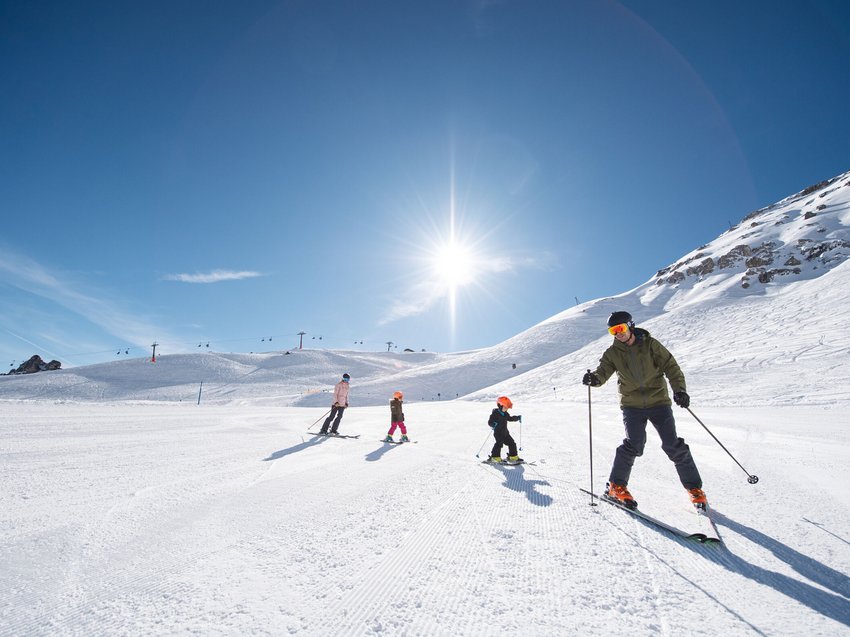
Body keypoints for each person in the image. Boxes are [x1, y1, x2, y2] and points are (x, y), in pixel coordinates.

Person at [582, 311, 707, 510]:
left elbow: (671, 367)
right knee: (634, 445)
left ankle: (694, 489)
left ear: (630, 325)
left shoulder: (650, 345)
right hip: (632, 406)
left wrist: (680, 391)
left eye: (621, 328)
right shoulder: (612, 353)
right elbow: (603, 372)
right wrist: (594, 379)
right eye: (613, 331)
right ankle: (616, 486)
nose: (618, 334)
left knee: (673, 445)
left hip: (659, 402)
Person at [486, 396, 523, 464]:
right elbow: (489, 422)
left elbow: (510, 418)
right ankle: (495, 457)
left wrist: (517, 418)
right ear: (500, 405)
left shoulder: (505, 414)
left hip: (505, 433)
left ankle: (513, 456)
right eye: (505, 407)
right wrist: (493, 424)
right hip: (498, 433)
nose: (506, 409)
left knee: (512, 443)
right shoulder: (495, 414)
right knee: (499, 444)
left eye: (507, 408)